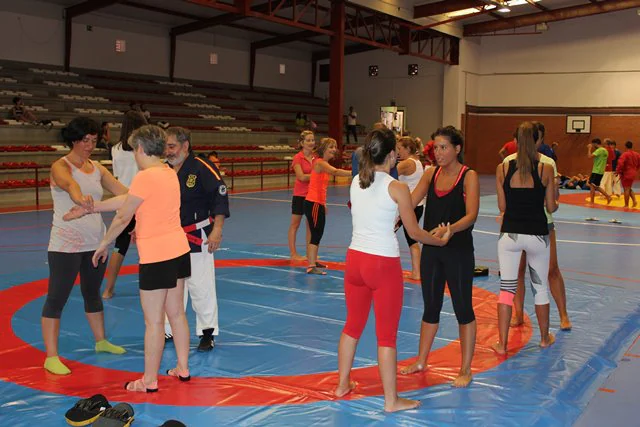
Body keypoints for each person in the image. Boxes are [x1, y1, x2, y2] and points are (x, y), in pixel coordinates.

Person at [66, 125, 192, 392]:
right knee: (177, 313)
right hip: (178, 251)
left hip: (157, 256)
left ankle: (149, 380)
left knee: (154, 321)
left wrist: (104, 243)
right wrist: (93, 207)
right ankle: (182, 368)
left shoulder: (146, 177)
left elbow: (124, 215)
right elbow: (128, 200)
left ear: (140, 149)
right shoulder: (168, 172)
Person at [334, 128, 451, 412]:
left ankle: (342, 384)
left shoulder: (355, 182)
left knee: (352, 326)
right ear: (390, 156)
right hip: (382, 264)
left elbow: (372, 215)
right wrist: (439, 239)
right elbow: (415, 232)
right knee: (386, 336)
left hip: (355, 261)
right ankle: (391, 400)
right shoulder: (396, 188)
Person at [42, 117, 128, 375]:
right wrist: (81, 200)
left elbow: (123, 191)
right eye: (84, 141)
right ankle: (51, 355)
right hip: (65, 244)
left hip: (95, 243)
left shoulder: (98, 168)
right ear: (73, 140)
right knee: (57, 298)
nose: (89, 146)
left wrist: (144, 195)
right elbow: (70, 185)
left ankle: (101, 340)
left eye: (93, 140)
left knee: (92, 292)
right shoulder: (60, 165)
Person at [400, 126, 479, 388]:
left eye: (444, 147)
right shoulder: (430, 173)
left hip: (458, 251)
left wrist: (450, 229)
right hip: (432, 250)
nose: (438, 152)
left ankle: (465, 368)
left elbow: (471, 216)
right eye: (435, 147)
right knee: (431, 306)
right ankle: (422, 359)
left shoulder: (469, 176)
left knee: (463, 309)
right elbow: (409, 202)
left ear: (457, 149)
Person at [493, 121, 558, 355]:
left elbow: (502, 206)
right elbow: (551, 206)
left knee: (506, 289)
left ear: (515, 140)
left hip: (510, 234)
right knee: (540, 288)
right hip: (537, 234)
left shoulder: (503, 167)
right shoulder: (546, 168)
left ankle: (502, 343)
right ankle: (543, 338)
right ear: (537, 140)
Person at [164, 127, 230, 351]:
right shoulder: (163, 170)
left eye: (172, 146)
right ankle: (169, 328)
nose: (168, 151)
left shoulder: (202, 167)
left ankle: (206, 332)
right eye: (165, 146)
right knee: (171, 284)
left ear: (185, 146)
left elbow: (220, 195)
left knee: (200, 285)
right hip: (169, 235)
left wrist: (217, 228)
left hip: (197, 235)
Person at [505, 122, 571, 332]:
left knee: (551, 269)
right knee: (518, 270)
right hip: (517, 224)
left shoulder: (548, 163)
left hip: (542, 223)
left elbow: (552, 201)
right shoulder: (508, 162)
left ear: (540, 141)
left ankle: (563, 315)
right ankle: (518, 314)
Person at [102, 111, 148, 299]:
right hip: (141, 201)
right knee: (147, 247)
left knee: (119, 247)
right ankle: (150, 286)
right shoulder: (142, 149)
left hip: (124, 202)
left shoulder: (115, 149)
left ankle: (108, 289)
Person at [304, 138, 351, 275]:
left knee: (318, 232)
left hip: (318, 203)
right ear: (324, 148)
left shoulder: (323, 163)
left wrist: (323, 204)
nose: (334, 149)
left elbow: (321, 187)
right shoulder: (320, 163)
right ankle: (311, 265)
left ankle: (314, 261)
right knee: (316, 233)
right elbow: (336, 172)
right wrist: (355, 172)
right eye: (331, 147)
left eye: (335, 147)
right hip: (313, 203)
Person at [395, 136, 425, 280]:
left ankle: (416, 272)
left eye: (399, 149)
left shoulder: (407, 163)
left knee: (387, 233)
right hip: (416, 205)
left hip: (409, 206)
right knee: (411, 238)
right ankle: (417, 272)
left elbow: (390, 174)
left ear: (407, 149)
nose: (398, 152)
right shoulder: (418, 162)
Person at [288, 131, 315, 260]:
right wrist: (317, 176)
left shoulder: (316, 158)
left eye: (313, 140)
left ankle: (310, 253)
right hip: (299, 196)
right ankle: (293, 254)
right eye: (308, 140)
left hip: (312, 195)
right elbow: (301, 177)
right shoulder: (297, 158)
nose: (311, 143)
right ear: (302, 143)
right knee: (295, 225)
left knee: (310, 225)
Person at [587, 138, 612, 204]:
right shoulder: (605, 150)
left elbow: (589, 156)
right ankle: (592, 201)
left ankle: (608, 196)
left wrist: (589, 148)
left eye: (593, 144)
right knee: (593, 186)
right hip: (600, 170)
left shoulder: (599, 150)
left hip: (596, 170)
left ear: (595, 143)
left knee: (594, 186)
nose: (592, 145)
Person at [616, 141, 640, 208]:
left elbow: (620, 163)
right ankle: (634, 201)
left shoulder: (625, 154)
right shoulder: (637, 154)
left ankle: (626, 205)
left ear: (625, 146)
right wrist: (635, 169)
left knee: (626, 189)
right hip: (633, 173)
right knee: (628, 188)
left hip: (626, 173)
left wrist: (617, 171)